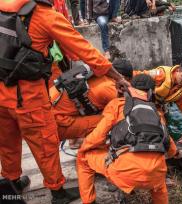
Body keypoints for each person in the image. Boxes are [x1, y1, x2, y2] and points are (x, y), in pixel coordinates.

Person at [0, 0, 129, 203]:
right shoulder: (44, 14)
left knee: (7, 142)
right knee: (45, 144)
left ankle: (11, 185)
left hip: (1, 90)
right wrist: (118, 77)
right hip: (28, 96)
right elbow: (84, 50)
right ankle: (57, 192)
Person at [77, 74, 182, 204]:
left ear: (130, 88)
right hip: (155, 175)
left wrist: (84, 148)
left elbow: (98, 136)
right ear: (150, 92)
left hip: (124, 173)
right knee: (159, 186)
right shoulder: (157, 112)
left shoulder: (117, 104)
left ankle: (89, 201)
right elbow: (170, 147)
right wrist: (177, 153)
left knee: (83, 159)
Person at [50, 59, 133, 149]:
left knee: (85, 104)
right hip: (54, 124)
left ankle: (75, 140)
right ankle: (94, 147)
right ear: (124, 78)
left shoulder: (97, 72)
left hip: (48, 109)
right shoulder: (110, 89)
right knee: (111, 120)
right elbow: (124, 111)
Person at [133, 59, 182, 125]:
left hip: (158, 107)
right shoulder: (161, 74)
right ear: (178, 70)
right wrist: (124, 80)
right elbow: (139, 75)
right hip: (143, 101)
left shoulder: (181, 90)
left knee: (162, 126)